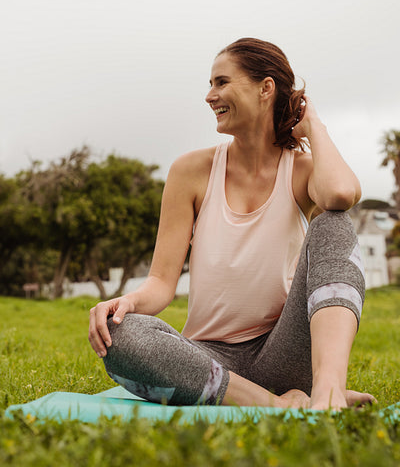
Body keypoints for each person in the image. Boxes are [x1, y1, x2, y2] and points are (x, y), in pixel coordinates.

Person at [89, 37, 374, 410]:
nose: (210, 95)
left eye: (221, 82)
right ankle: (279, 404)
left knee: (333, 224)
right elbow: (161, 283)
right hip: (208, 359)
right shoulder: (190, 171)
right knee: (121, 336)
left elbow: (340, 194)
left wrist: (314, 124)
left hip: (282, 352)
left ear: (265, 88)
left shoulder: (301, 170)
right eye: (210, 84)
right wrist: (125, 303)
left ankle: (328, 392)